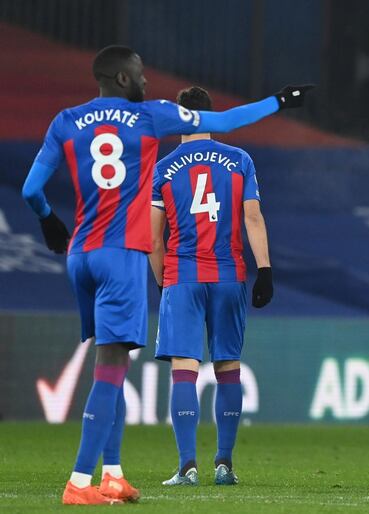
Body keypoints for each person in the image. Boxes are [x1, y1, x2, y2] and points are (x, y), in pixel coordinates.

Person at [20, 45, 311, 505]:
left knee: (140, 364)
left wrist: (50, 220)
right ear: (121, 80)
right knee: (176, 366)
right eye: (139, 74)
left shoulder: (87, 130)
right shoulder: (178, 131)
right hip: (181, 264)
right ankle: (102, 479)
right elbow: (236, 157)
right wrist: (279, 101)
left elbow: (37, 191)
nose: (146, 82)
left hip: (115, 259)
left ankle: (145, 470)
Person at [149, 86, 274, 487]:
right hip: (229, 274)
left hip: (183, 276)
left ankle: (187, 466)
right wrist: (265, 269)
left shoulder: (163, 168)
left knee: (185, 368)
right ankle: (224, 463)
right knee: (227, 366)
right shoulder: (239, 160)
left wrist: (162, 281)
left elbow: (153, 239)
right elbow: (252, 218)